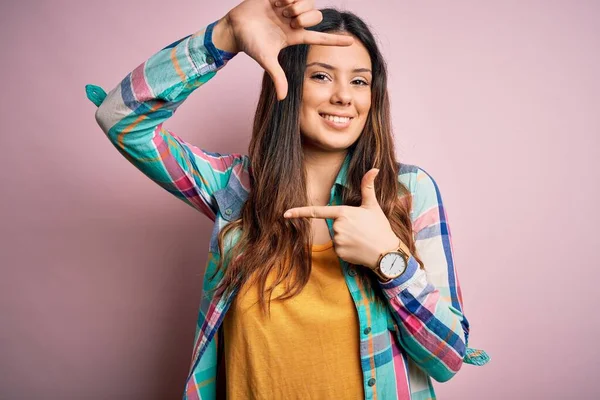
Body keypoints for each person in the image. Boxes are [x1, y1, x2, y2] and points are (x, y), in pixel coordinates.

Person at [85, 0, 490, 398]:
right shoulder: (236, 187)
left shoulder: (408, 193)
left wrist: (390, 261)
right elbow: (122, 119)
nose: (344, 97)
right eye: (321, 76)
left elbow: (448, 358)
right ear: (289, 82)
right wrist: (223, 36)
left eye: (359, 81)